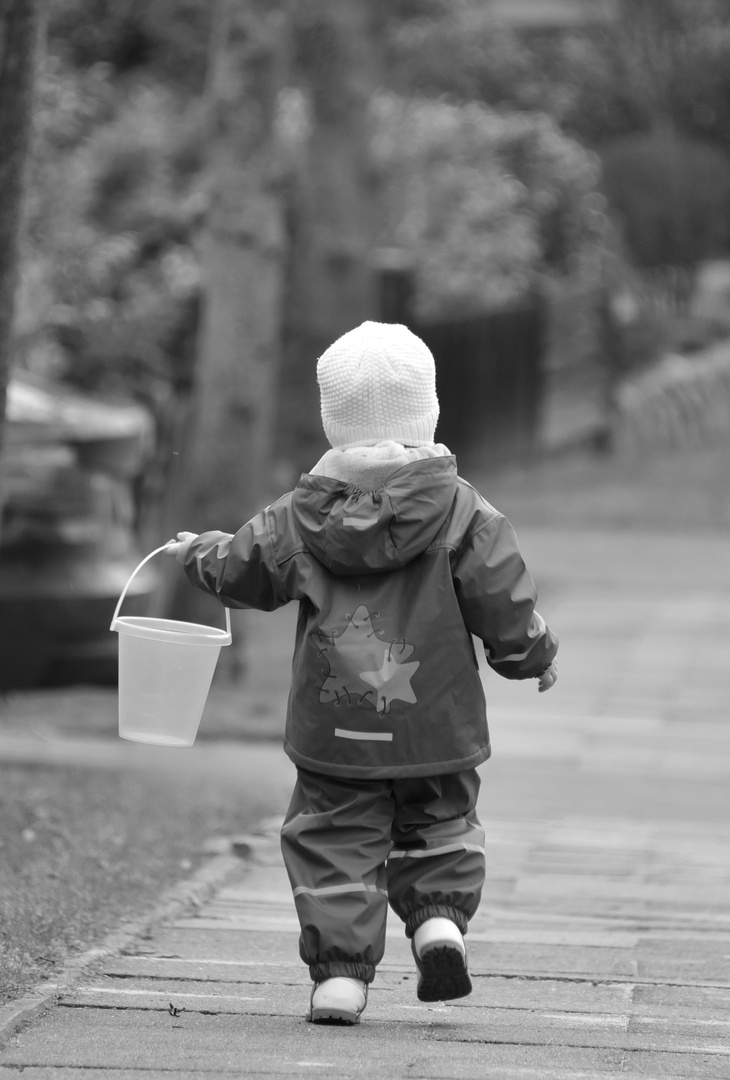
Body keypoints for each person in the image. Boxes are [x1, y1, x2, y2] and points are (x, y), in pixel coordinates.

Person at [165, 321, 558, 1025]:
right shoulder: (466, 512)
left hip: (336, 728)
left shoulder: (300, 516)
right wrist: (533, 653)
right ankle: (439, 921)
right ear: (429, 412)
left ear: (332, 421)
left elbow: (242, 569)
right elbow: (504, 598)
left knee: (334, 840)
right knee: (441, 821)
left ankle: (340, 980)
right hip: (434, 723)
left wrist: (197, 552)